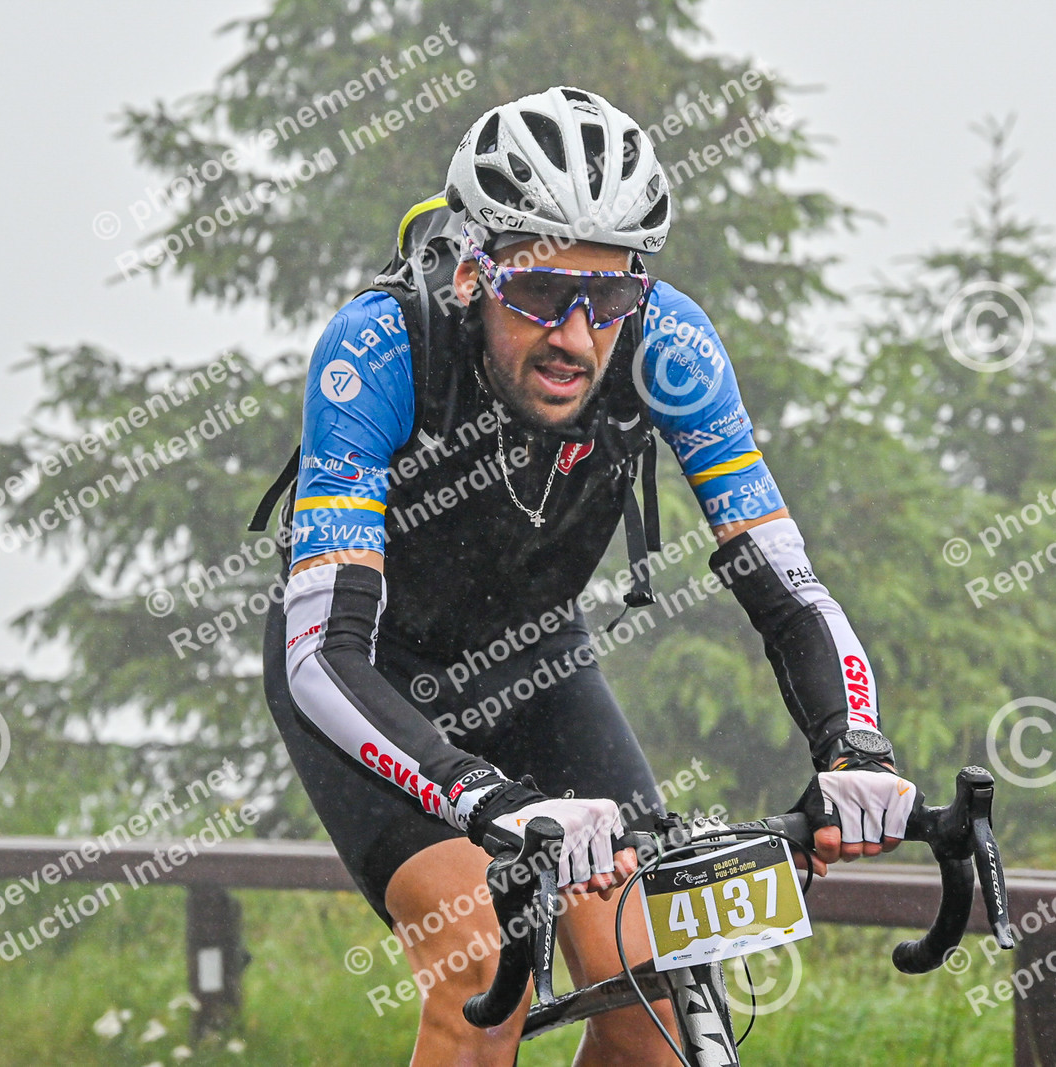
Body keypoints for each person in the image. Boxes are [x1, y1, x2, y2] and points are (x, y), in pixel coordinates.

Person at [261, 85, 915, 1065]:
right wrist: (480, 796)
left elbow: (788, 585)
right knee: (484, 974)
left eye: (607, 298)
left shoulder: (671, 345)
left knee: (657, 998)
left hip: (536, 656)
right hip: (374, 672)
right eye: (537, 291)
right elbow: (323, 652)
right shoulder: (381, 346)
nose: (575, 336)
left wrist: (854, 745)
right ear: (471, 271)